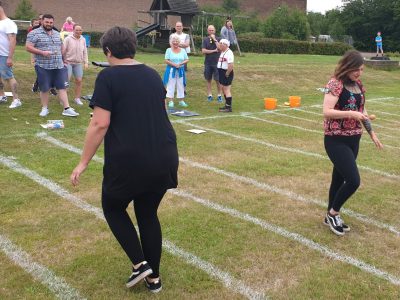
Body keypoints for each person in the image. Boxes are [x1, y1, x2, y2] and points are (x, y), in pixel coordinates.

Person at [70, 26, 178, 294]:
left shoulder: (109, 77)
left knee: (113, 206)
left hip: (131, 159)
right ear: (134, 48)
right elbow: (159, 111)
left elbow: (99, 124)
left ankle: (141, 264)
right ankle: (154, 279)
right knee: (147, 213)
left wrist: (82, 162)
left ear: (107, 51)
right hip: (163, 154)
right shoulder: (152, 75)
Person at [322, 50, 383, 236]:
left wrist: (371, 132)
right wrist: (351, 114)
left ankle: (328, 216)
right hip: (335, 139)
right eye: (356, 69)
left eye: (362, 69)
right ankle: (334, 213)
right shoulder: (334, 83)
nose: (359, 73)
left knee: (338, 179)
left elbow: (362, 110)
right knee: (354, 180)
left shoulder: (358, 85)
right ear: (347, 66)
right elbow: (327, 111)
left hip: (354, 139)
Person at [26, 14, 79, 117]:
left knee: (62, 87)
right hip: (43, 66)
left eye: (51, 22)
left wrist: (64, 59)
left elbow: (61, 45)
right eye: (47, 22)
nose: (49, 24)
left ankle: (66, 109)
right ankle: (45, 108)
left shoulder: (56, 33)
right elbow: (28, 47)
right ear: (41, 21)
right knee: (45, 88)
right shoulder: (34, 33)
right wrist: (42, 52)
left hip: (59, 66)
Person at [0, 1, 22, 108]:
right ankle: (2, 95)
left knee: (9, 76)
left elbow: (13, 41)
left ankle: (16, 99)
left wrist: (9, 57)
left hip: (4, 55)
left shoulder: (9, 23)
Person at [63, 24, 88, 105]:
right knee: (67, 80)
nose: (78, 31)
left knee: (79, 80)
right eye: (76, 30)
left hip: (78, 63)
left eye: (80, 30)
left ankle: (77, 98)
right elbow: (63, 50)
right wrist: (63, 60)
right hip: (68, 62)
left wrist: (86, 62)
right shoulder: (68, 39)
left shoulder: (83, 39)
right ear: (73, 30)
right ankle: (63, 99)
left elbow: (85, 51)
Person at [163, 33, 189, 109]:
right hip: (171, 70)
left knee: (181, 85)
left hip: (180, 70)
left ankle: (181, 101)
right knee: (170, 85)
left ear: (179, 42)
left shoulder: (183, 51)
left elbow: (187, 59)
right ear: (171, 42)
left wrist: (181, 63)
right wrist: (174, 65)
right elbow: (166, 60)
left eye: (177, 41)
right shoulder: (168, 50)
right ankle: (171, 101)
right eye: (174, 41)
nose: (175, 43)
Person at [201, 25, 223, 103]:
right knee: (208, 79)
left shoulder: (219, 39)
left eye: (212, 30)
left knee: (218, 80)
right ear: (207, 31)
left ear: (215, 31)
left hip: (217, 63)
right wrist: (213, 51)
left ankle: (219, 95)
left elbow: (220, 48)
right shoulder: (205, 40)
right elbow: (203, 51)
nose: (211, 32)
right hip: (208, 63)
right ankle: (209, 95)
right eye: (209, 30)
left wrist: (214, 39)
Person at [217, 39, 234, 112]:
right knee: (223, 89)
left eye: (222, 43)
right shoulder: (223, 52)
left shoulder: (229, 53)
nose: (220, 44)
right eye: (220, 43)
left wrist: (227, 74)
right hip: (221, 72)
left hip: (226, 72)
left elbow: (231, 65)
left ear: (226, 45)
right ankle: (227, 105)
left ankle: (228, 107)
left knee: (226, 90)